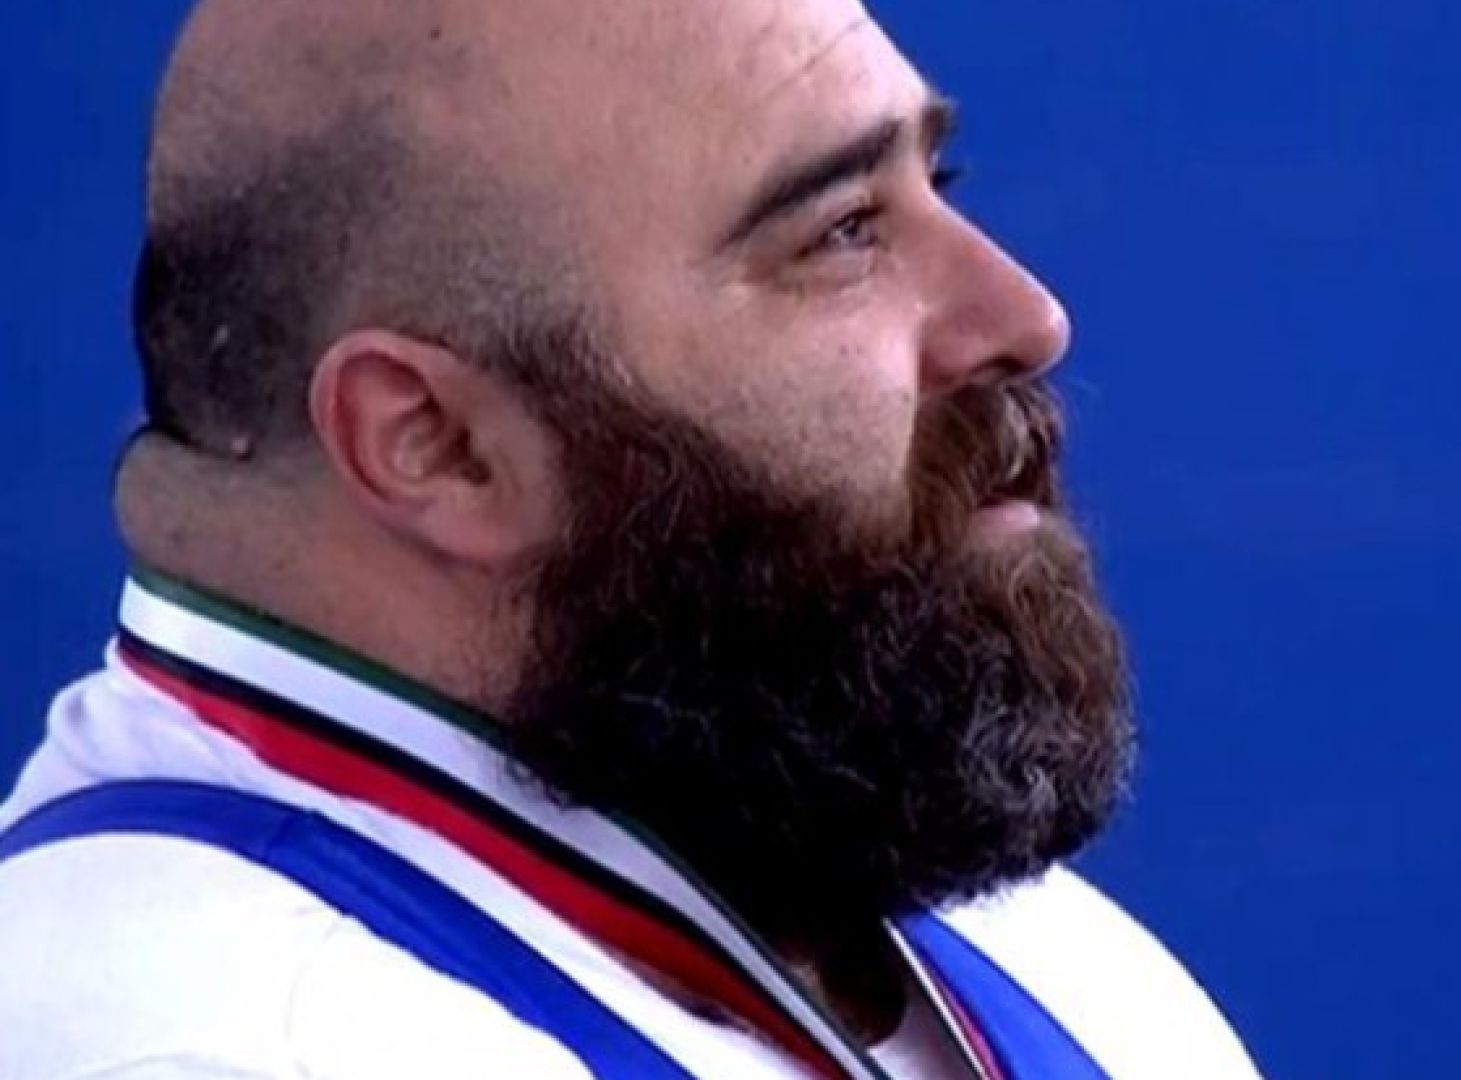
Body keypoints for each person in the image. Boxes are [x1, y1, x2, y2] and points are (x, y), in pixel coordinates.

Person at [0, 1, 1261, 1077]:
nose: (1028, 315)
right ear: (439, 444)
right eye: (841, 231)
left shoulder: (1025, 953)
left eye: (939, 182)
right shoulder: (201, 1039)